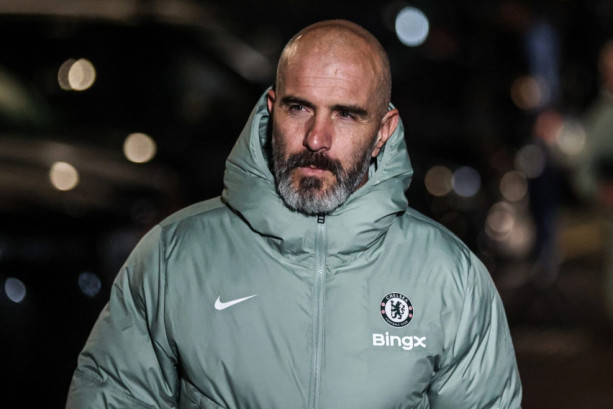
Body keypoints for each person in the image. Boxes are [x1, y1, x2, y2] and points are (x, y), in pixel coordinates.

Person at [66, 20, 522, 408]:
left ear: (383, 131)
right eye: (299, 107)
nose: (316, 138)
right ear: (272, 110)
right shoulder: (173, 257)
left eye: (346, 115)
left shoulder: (450, 277)